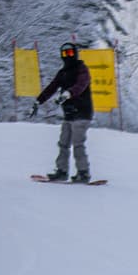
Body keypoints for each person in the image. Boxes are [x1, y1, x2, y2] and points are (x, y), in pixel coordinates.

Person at [35, 43, 95, 183]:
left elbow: (81, 84)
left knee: (78, 143)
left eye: (70, 53)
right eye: (64, 54)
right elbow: (52, 87)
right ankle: (61, 171)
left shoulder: (81, 69)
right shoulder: (63, 72)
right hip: (69, 113)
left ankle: (83, 172)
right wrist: (39, 101)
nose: (68, 56)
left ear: (75, 54)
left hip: (82, 112)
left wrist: (68, 93)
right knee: (63, 143)